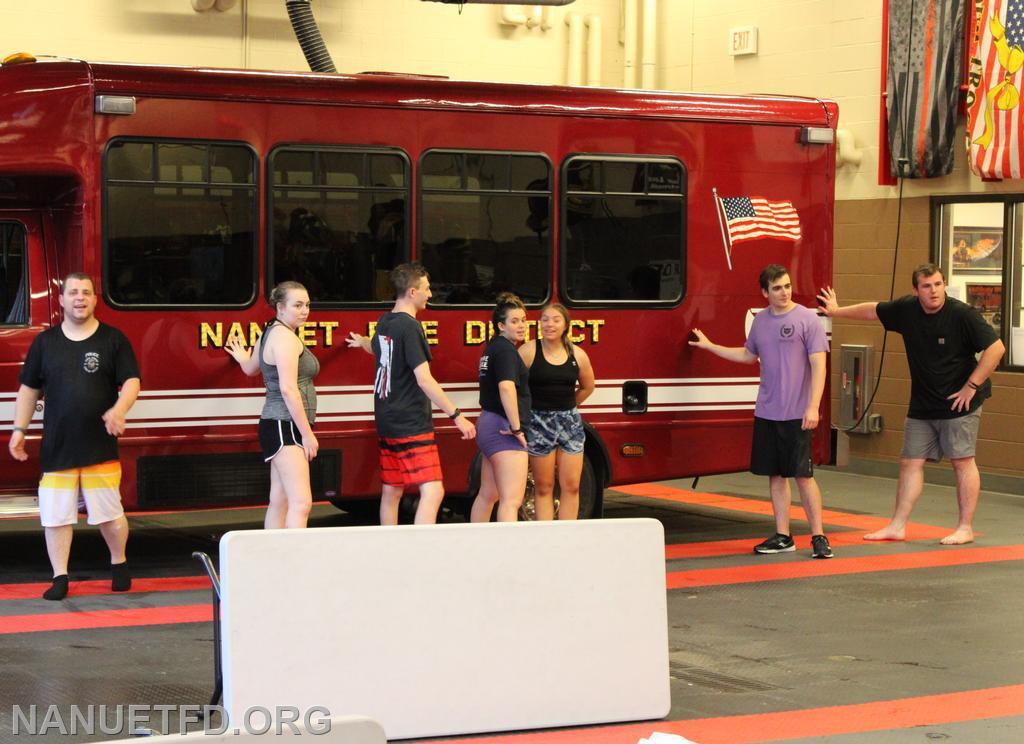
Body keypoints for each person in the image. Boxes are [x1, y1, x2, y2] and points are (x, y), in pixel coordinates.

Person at [817, 263, 1005, 545]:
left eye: (938, 284)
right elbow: (873, 310)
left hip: (960, 401)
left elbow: (996, 349)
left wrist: (971, 386)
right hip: (924, 401)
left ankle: (964, 527)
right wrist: (836, 311)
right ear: (916, 290)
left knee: (962, 461)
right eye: (927, 286)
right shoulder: (907, 310)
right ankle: (897, 525)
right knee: (909, 462)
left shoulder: (962, 315)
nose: (934, 291)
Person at [8, 273, 140, 600]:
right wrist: (19, 430)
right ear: (61, 300)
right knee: (55, 517)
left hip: (100, 447)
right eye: (73, 293)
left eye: (86, 293)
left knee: (109, 516)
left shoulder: (113, 340)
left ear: (95, 300)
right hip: (57, 447)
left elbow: (132, 382)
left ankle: (119, 562)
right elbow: (28, 390)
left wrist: (119, 409)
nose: (79, 298)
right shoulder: (45, 343)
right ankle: (60, 577)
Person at [690, 264, 833, 559]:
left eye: (788, 286)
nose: (785, 292)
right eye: (777, 287)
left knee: (803, 475)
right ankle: (783, 535)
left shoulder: (807, 319)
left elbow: (819, 364)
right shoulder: (760, 322)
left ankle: (819, 536)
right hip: (768, 411)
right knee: (775, 476)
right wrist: (709, 346)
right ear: (765, 292)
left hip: (798, 413)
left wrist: (813, 406)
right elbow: (747, 355)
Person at [347, 263, 475, 525]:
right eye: (427, 289)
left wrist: (361, 342)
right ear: (412, 291)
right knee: (433, 490)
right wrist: (457, 415)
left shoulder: (386, 321)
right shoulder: (411, 327)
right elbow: (425, 380)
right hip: (410, 421)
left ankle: (391, 546)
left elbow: (377, 348)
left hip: (387, 419)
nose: (430, 295)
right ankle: (420, 549)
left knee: (392, 489)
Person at [226, 281, 319, 529]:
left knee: (280, 500)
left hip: (278, 423)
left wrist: (240, 355)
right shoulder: (285, 339)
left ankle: (273, 559)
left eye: (307, 305)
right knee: (301, 503)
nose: (304, 311)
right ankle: (293, 562)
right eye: (297, 305)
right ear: (280, 307)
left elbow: (249, 368)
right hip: (285, 425)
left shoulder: (271, 331)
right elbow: (289, 390)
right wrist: (308, 435)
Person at [518, 302, 595, 520]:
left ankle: (567, 536)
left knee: (571, 486)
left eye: (556, 320)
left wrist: (569, 407)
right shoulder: (528, 351)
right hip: (537, 423)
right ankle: (546, 537)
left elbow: (588, 386)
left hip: (569, 423)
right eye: (545, 319)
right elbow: (514, 388)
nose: (549, 324)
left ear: (565, 325)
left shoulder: (578, 355)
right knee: (544, 486)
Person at [470, 292, 531, 522]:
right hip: (504, 428)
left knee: (489, 493)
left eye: (524, 320)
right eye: (514, 321)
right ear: (501, 325)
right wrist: (516, 428)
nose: (522, 325)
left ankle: (477, 545)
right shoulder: (506, 350)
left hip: (488, 423)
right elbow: (506, 388)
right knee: (511, 500)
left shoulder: (492, 347)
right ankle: (509, 553)